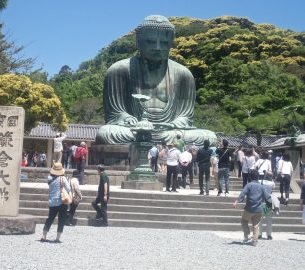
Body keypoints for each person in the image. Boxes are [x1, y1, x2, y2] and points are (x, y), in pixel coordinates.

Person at [95, 15, 216, 146]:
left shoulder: (184, 74)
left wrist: (173, 125)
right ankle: (147, 137)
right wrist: (128, 119)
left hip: (170, 131)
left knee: (209, 137)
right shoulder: (119, 70)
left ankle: (152, 138)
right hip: (134, 130)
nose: (157, 47)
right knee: (106, 133)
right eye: (150, 42)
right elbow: (115, 114)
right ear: (138, 42)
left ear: (171, 43)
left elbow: (186, 116)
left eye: (164, 43)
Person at [233, 170, 272, 246]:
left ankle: (247, 235)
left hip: (249, 208)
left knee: (244, 221)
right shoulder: (262, 186)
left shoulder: (249, 185)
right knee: (256, 225)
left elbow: (243, 193)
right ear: (258, 177)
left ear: (250, 177)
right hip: (259, 209)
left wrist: (237, 201)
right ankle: (255, 241)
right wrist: (270, 206)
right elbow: (267, 197)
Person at [41, 162, 71, 243]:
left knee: (50, 218)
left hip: (52, 201)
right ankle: (57, 238)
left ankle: (44, 236)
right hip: (62, 202)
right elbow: (68, 189)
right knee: (61, 220)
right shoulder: (63, 179)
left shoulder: (49, 178)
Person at [258, 174, 276, 240]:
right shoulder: (271, 183)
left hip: (261, 202)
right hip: (268, 203)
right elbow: (274, 186)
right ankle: (269, 235)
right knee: (269, 220)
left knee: (259, 220)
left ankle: (259, 234)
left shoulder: (260, 181)